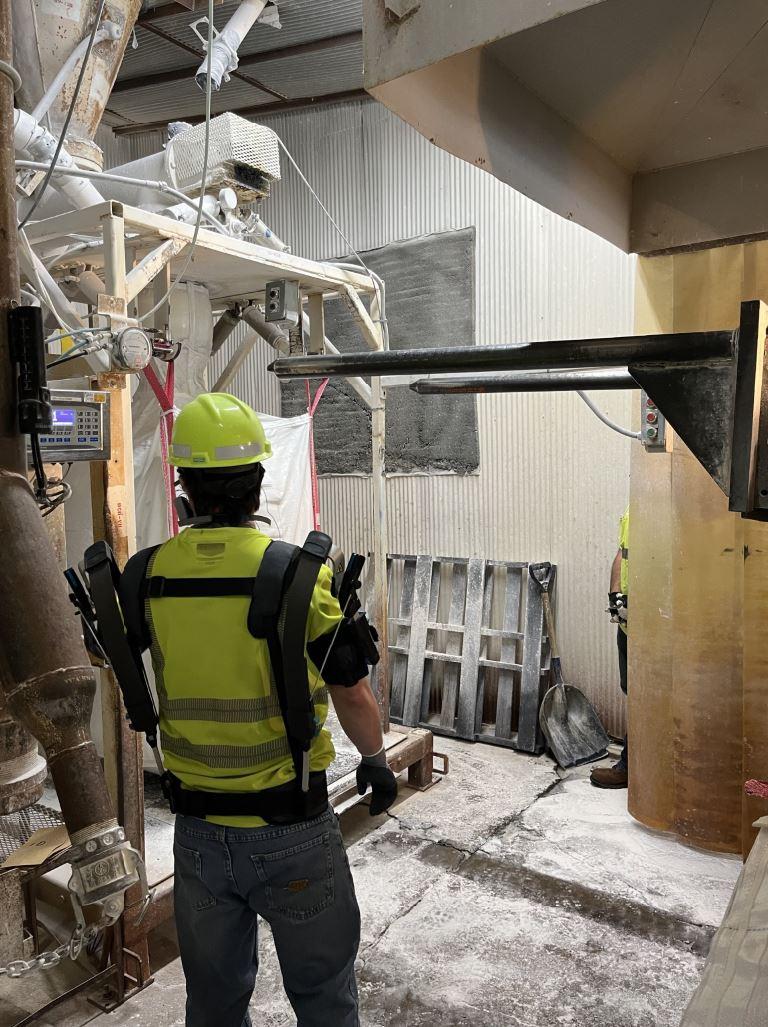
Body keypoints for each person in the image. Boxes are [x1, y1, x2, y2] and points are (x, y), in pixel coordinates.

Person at [120, 393, 397, 1027]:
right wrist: (376, 760)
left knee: (214, 1006)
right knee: (324, 997)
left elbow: (106, 654)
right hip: (292, 827)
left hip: (194, 835)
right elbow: (352, 689)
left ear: (182, 484)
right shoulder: (297, 575)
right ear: (258, 485)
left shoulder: (144, 577)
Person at [591, 506, 629, 789]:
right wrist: (615, 594)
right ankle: (633, 765)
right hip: (630, 623)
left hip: (658, 625)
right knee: (634, 693)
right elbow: (622, 552)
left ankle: (632, 766)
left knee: (652, 697)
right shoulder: (635, 505)